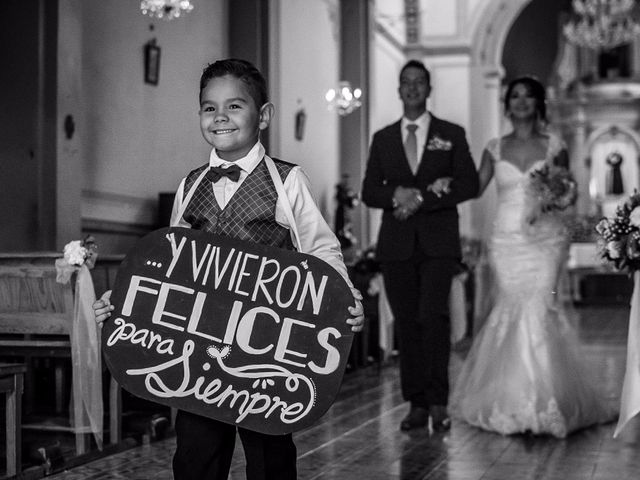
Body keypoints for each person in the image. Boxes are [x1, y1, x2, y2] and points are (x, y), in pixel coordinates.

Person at [93, 58, 364, 479]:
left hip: (266, 348)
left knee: (268, 453)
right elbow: (169, 262)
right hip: (199, 348)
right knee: (196, 452)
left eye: (234, 106)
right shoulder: (191, 183)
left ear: (264, 115)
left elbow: (322, 250)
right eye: (209, 107)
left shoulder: (287, 181)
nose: (220, 116)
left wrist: (344, 299)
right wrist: (126, 299)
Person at [449, 76, 614, 437]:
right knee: (511, 308)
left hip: (545, 239)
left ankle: (548, 401)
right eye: (515, 96)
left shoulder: (555, 145)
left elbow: (569, 191)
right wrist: (443, 176)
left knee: (541, 309)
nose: (521, 101)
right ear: (507, 104)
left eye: (528, 96)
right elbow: (473, 188)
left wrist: (552, 201)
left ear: (538, 103)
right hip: (506, 240)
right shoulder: (494, 147)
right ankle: (510, 399)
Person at [361, 60, 479, 432]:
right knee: (408, 324)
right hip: (396, 246)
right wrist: (396, 193)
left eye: (419, 82)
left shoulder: (451, 134)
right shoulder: (383, 138)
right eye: (406, 82)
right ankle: (416, 403)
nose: (412, 88)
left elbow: (470, 184)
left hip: (438, 243)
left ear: (429, 89)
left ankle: (440, 402)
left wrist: (423, 198)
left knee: (434, 319)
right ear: (399, 90)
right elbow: (368, 191)